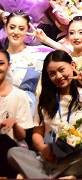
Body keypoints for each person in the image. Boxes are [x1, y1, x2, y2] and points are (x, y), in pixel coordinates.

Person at [7, 50, 82, 179]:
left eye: (61, 70)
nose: (58, 76)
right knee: (13, 152)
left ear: (72, 65)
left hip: (76, 157)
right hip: (49, 158)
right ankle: (56, 176)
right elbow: (37, 134)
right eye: (52, 74)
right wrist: (43, 148)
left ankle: (41, 176)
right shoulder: (45, 99)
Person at [0, 49, 34, 179]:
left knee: (3, 140)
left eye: (1, 63)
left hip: (12, 150)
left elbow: (21, 136)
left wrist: (14, 123)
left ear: (9, 66)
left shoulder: (20, 95)